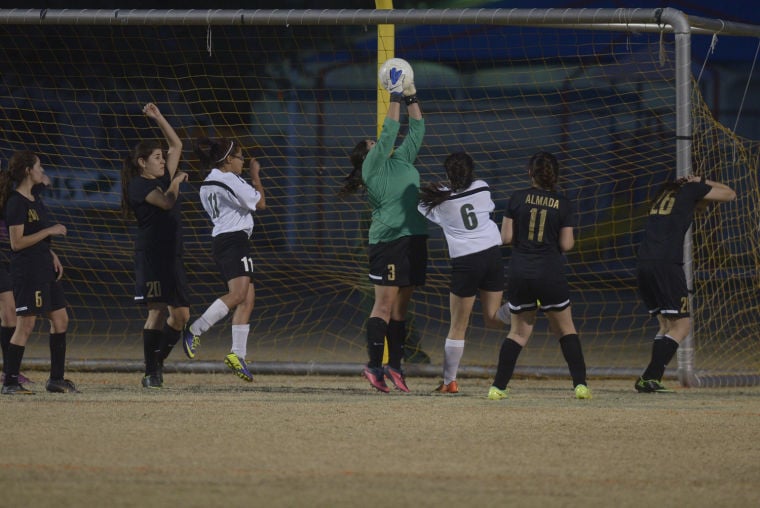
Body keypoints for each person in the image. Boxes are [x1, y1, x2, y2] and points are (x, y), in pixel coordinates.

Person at [340, 66, 427, 393]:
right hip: (389, 241)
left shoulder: (401, 161)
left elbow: (416, 130)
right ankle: (374, 366)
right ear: (367, 156)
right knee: (384, 306)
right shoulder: (372, 167)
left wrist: (411, 95)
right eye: (372, 143)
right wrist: (393, 93)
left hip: (414, 239)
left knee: (402, 310)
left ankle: (395, 366)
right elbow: (390, 131)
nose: (378, 143)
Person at [488, 151, 591, 400]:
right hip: (549, 272)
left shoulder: (516, 198)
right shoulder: (563, 203)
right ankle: (580, 385)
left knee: (518, 333)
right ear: (555, 175)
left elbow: (506, 238)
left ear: (530, 173)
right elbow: (566, 245)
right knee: (566, 330)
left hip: (521, 271)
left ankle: (498, 387)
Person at [634, 174, 736, 393]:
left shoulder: (663, 194)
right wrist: (702, 181)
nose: (704, 207)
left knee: (666, 325)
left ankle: (650, 378)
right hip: (666, 264)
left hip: (644, 262)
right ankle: (649, 378)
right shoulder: (690, 190)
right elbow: (730, 193)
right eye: (705, 201)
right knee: (682, 326)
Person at [418, 151, 504, 394]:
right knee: (493, 317)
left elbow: (421, 205)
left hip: (467, 261)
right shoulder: (483, 187)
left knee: (458, 326)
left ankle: (449, 382)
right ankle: (521, 307)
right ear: (472, 171)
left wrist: (443, 190)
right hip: (492, 255)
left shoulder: (441, 202)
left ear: (447, 174)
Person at [181, 137, 266, 383]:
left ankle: (237, 354)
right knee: (238, 295)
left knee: (248, 299)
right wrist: (255, 175)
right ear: (229, 159)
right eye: (240, 158)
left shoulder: (207, 182)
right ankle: (195, 329)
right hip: (233, 241)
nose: (242, 162)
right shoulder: (228, 179)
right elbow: (260, 203)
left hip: (228, 240)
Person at [121, 103, 189, 389]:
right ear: (142, 162)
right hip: (151, 256)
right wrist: (176, 182)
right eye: (157, 158)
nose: (163, 161)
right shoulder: (138, 185)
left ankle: (157, 362)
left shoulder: (160, 177)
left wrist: (159, 117)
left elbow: (177, 145)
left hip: (171, 255)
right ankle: (151, 373)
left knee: (182, 315)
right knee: (157, 311)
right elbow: (167, 201)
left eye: (162, 158)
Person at [0, 150, 76, 395]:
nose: (43, 170)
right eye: (39, 166)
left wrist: (52, 255)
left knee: (61, 319)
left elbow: (36, 234)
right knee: (26, 325)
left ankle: (56, 380)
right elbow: (17, 243)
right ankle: (10, 382)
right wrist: (50, 231)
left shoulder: (34, 199)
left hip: (44, 267)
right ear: (27, 171)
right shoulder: (15, 202)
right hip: (28, 271)